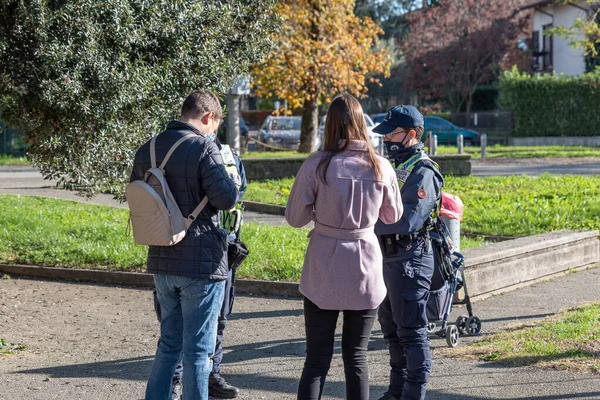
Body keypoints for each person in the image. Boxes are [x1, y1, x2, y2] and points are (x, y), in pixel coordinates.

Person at [285, 94, 402, 400]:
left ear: (329, 125)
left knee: (316, 360)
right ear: (362, 123)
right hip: (364, 265)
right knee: (357, 356)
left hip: (324, 263)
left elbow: (295, 218)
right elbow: (392, 216)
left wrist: (319, 214)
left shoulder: (317, 165)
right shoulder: (381, 167)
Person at [131, 90, 239, 400]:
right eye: (214, 126)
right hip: (202, 263)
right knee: (198, 351)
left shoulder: (146, 149)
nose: (213, 132)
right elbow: (226, 199)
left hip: (162, 258)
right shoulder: (204, 148)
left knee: (168, 346)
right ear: (208, 118)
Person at [154, 138, 247, 400]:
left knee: (215, 322)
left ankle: (211, 375)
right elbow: (228, 196)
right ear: (209, 118)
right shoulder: (199, 152)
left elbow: (239, 194)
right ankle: (176, 379)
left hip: (208, 250)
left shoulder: (228, 156)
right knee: (191, 343)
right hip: (199, 257)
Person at [372, 105, 445, 400]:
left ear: (412, 135)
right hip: (386, 259)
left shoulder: (424, 170)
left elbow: (409, 220)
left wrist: (364, 224)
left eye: (393, 133)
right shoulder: (390, 166)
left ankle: (413, 394)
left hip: (410, 259)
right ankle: (396, 391)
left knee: (412, 333)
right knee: (391, 330)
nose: (386, 139)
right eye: (385, 133)